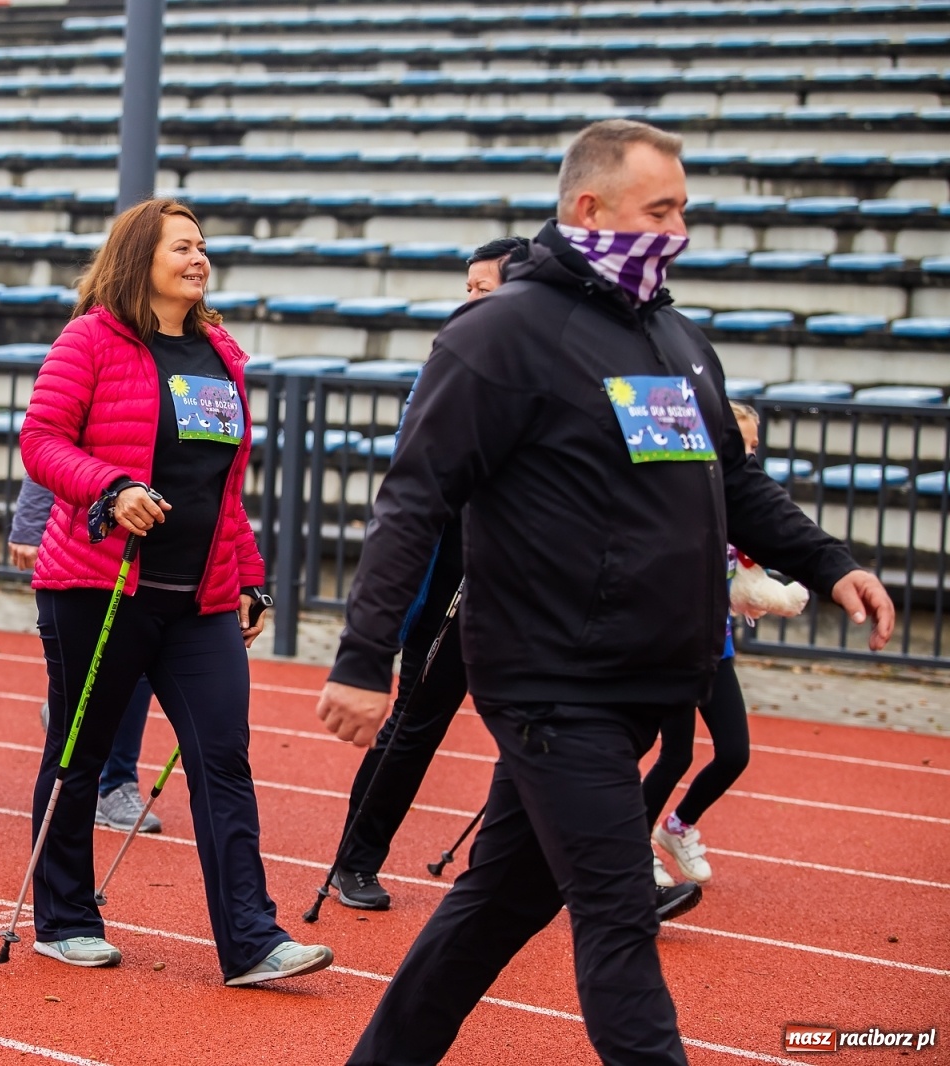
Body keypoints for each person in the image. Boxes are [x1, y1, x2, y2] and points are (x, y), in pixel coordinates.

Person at [316, 119, 894, 1065]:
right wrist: (362, 659)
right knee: (620, 916)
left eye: (684, 210)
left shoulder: (673, 334)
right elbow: (414, 500)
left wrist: (833, 564)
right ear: (590, 209)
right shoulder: (498, 334)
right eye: (660, 210)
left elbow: (733, 483)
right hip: (551, 684)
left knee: (496, 905)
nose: (679, 229)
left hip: (643, 684)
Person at [18, 197, 332, 985]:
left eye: (202, 247)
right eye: (181, 247)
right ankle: (62, 919)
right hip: (100, 586)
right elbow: (41, 442)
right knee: (80, 756)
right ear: (138, 259)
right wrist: (110, 486)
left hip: (201, 600)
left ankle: (252, 942)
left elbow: (223, 487)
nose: (198, 258)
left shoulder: (220, 352)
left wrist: (250, 573)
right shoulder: (89, 339)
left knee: (223, 759)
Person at [329, 235, 528, 912]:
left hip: (535, 584)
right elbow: (420, 471)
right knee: (417, 722)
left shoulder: (556, 360)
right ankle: (354, 859)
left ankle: (583, 873)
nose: (471, 301)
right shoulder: (456, 361)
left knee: (557, 731)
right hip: (456, 572)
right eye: (467, 288)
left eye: (486, 288)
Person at [643, 401, 765, 889]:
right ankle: (633, 845)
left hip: (718, 647)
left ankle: (676, 826)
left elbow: (754, 566)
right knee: (675, 753)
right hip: (672, 644)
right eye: (743, 444)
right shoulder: (686, 495)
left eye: (756, 446)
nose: (751, 455)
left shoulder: (744, 498)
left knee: (735, 753)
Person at [9, 477, 160, 834]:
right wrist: (30, 524)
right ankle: (113, 782)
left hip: (161, 547)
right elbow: (51, 441)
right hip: (90, 538)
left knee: (142, 661)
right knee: (103, 656)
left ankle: (116, 780)